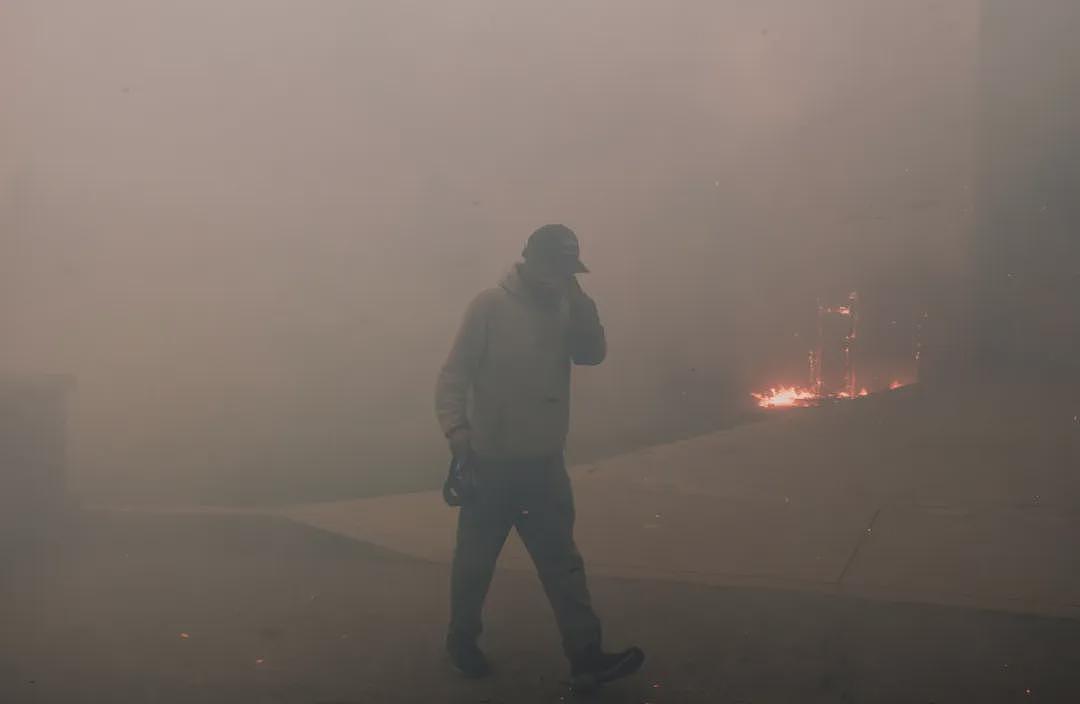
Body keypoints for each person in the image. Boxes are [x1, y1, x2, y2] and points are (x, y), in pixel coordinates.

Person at [435, 224, 645, 692]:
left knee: (563, 565)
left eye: (568, 271)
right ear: (530, 262)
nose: (558, 278)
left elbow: (592, 355)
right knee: (474, 562)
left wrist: (579, 298)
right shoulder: (489, 306)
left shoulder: (566, 308)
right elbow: (453, 376)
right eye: (555, 268)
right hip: (490, 464)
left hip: (544, 465)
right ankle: (461, 641)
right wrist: (457, 431)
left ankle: (587, 657)